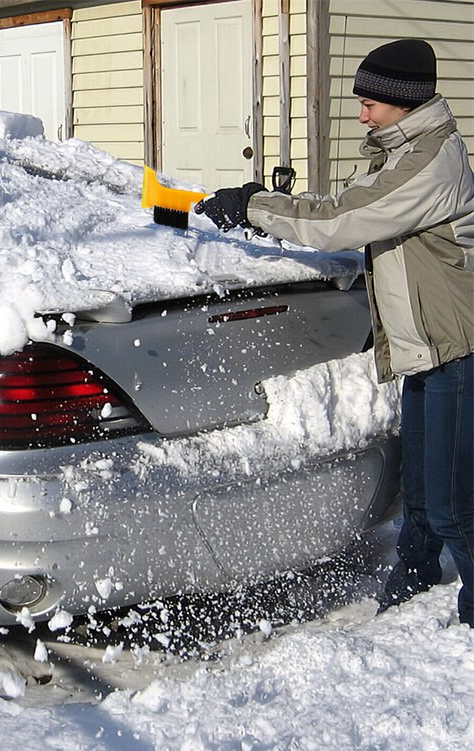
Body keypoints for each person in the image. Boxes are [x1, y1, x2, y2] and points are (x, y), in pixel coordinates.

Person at [195, 39, 474, 626]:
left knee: (455, 505)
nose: (362, 113)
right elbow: (343, 202)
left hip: (455, 349)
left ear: (404, 102)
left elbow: (342, 221)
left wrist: (255, 206)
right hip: (424, 347)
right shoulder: (400, 152)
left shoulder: (431, 162)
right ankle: (414, 581)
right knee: (421, 498)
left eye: (371, 102)